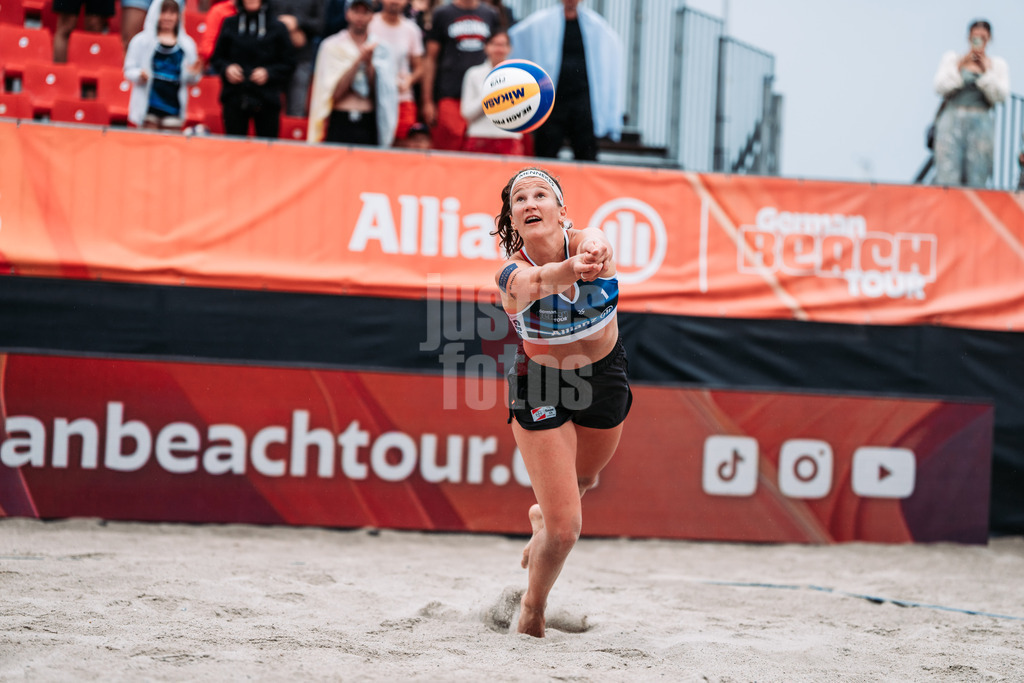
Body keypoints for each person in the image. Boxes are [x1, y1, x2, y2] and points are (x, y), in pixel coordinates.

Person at [491, 167, 631, 638]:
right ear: (513, 217)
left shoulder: (589, 241)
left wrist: (593, 253)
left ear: (560, 210)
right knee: (567, 527)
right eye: (519, 199)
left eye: (541, 195)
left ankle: (541, 517)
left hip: (604, 377)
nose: (530, 203)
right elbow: (538, 282)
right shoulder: (511, 273)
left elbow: (596, 240)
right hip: (543, 385)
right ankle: (532, 609)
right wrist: (571, 270)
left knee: (587, 477)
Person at [508, 0, 623, 161]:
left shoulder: (596, 26)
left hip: (582, 99)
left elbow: (610, 52)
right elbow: (516, 39)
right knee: (546, 149)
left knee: (586, 150)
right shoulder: (541, 22)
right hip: (553, 99)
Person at [307, 0, 398, 146]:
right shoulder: (331, 46)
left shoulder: (381, 48)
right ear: (347, 13)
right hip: (341, 119)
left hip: (368, 121)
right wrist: (357, 62)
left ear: (372, 16)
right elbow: (332, 94)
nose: (360, 17)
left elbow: (382, 96)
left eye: (365, 12)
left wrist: (369, 64)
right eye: (356, 11)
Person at [932, 19, 1010, 187]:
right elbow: (939, 86)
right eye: (975, 36)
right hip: (952, 119)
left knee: (978, 174)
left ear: (989, 39)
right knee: (948, 173)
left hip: (981, 122)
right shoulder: (953, 59)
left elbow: (1001, 95)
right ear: (969, 37)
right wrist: (960, 66)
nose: (979, 40)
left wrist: (985, 71)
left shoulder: (997, 65)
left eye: (983, 37)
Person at [420, 0, 501, 151]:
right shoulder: (443, 13)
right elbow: (430, 59)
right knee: (450, 150)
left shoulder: (490, 14)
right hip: (450, 95)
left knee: (479, 150)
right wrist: (428, 101)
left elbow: (499, 51)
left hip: (483, 96)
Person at [210, 0, 296, 138]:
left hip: (267, 98)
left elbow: (289, 63)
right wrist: (227, 68)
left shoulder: (277, 27)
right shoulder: (229, 24)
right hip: (235, 96)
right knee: (234, 149)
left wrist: (269, 73)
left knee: (267, 150)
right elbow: (217, 58)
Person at [124, 0, 202, 131]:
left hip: (173, 108)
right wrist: (139, 75)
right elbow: (129, 69)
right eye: (163, 12)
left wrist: (193, 73)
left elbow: (191, 78)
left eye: (172, 13)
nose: (167, 17)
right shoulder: (141, 41)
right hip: (148, 107)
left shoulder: (187, 45)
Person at [460, 30, 524, 156]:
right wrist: (492, 95)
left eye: (503, 45)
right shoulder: (474, 73)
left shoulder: (519, 75)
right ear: (486, 47)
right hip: (479, 137)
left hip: (509, 138)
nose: (498, 49)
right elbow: (467, 113)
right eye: (495, 44)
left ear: (509, 48)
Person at [369, 0, 424, 143]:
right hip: (374, 97)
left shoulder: (411, 29)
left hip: (402, 98)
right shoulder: (370, 23)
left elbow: (419, 67)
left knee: (402, 146)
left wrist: (409, 80)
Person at [272, 0, 324, 116]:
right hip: (273, 59)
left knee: (297, 109)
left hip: (301, 58)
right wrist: (283, 25)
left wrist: (297, 23)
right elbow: (262, 14)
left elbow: (320, 24)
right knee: (270, 108)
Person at [197, 0, 237, 74]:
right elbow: (207, 48)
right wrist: (226, 65)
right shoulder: (218, 11)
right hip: (222, 65)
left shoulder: (262, 13)